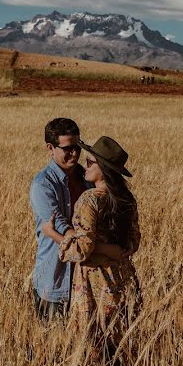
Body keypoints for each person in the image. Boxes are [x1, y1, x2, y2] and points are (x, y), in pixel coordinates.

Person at [42, 136, 141, 366]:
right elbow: (133, 244)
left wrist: (55, 235)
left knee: (95, 348)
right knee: (120, 347)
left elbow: (82, 250)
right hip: (124, 279)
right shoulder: (127, 200)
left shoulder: (89, 200)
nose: (84, 165)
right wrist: (112, 249)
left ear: (103, 169)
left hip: (96, 284)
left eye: (90, 162)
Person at [29, 119, 127, 320]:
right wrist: (104, 249)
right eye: (68, 148)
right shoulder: (42, 185)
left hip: (89, 279)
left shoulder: (87, 177)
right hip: (57, 280)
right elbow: (61, 227)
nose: (74, 153)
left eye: (77, 147)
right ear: (50, 148)